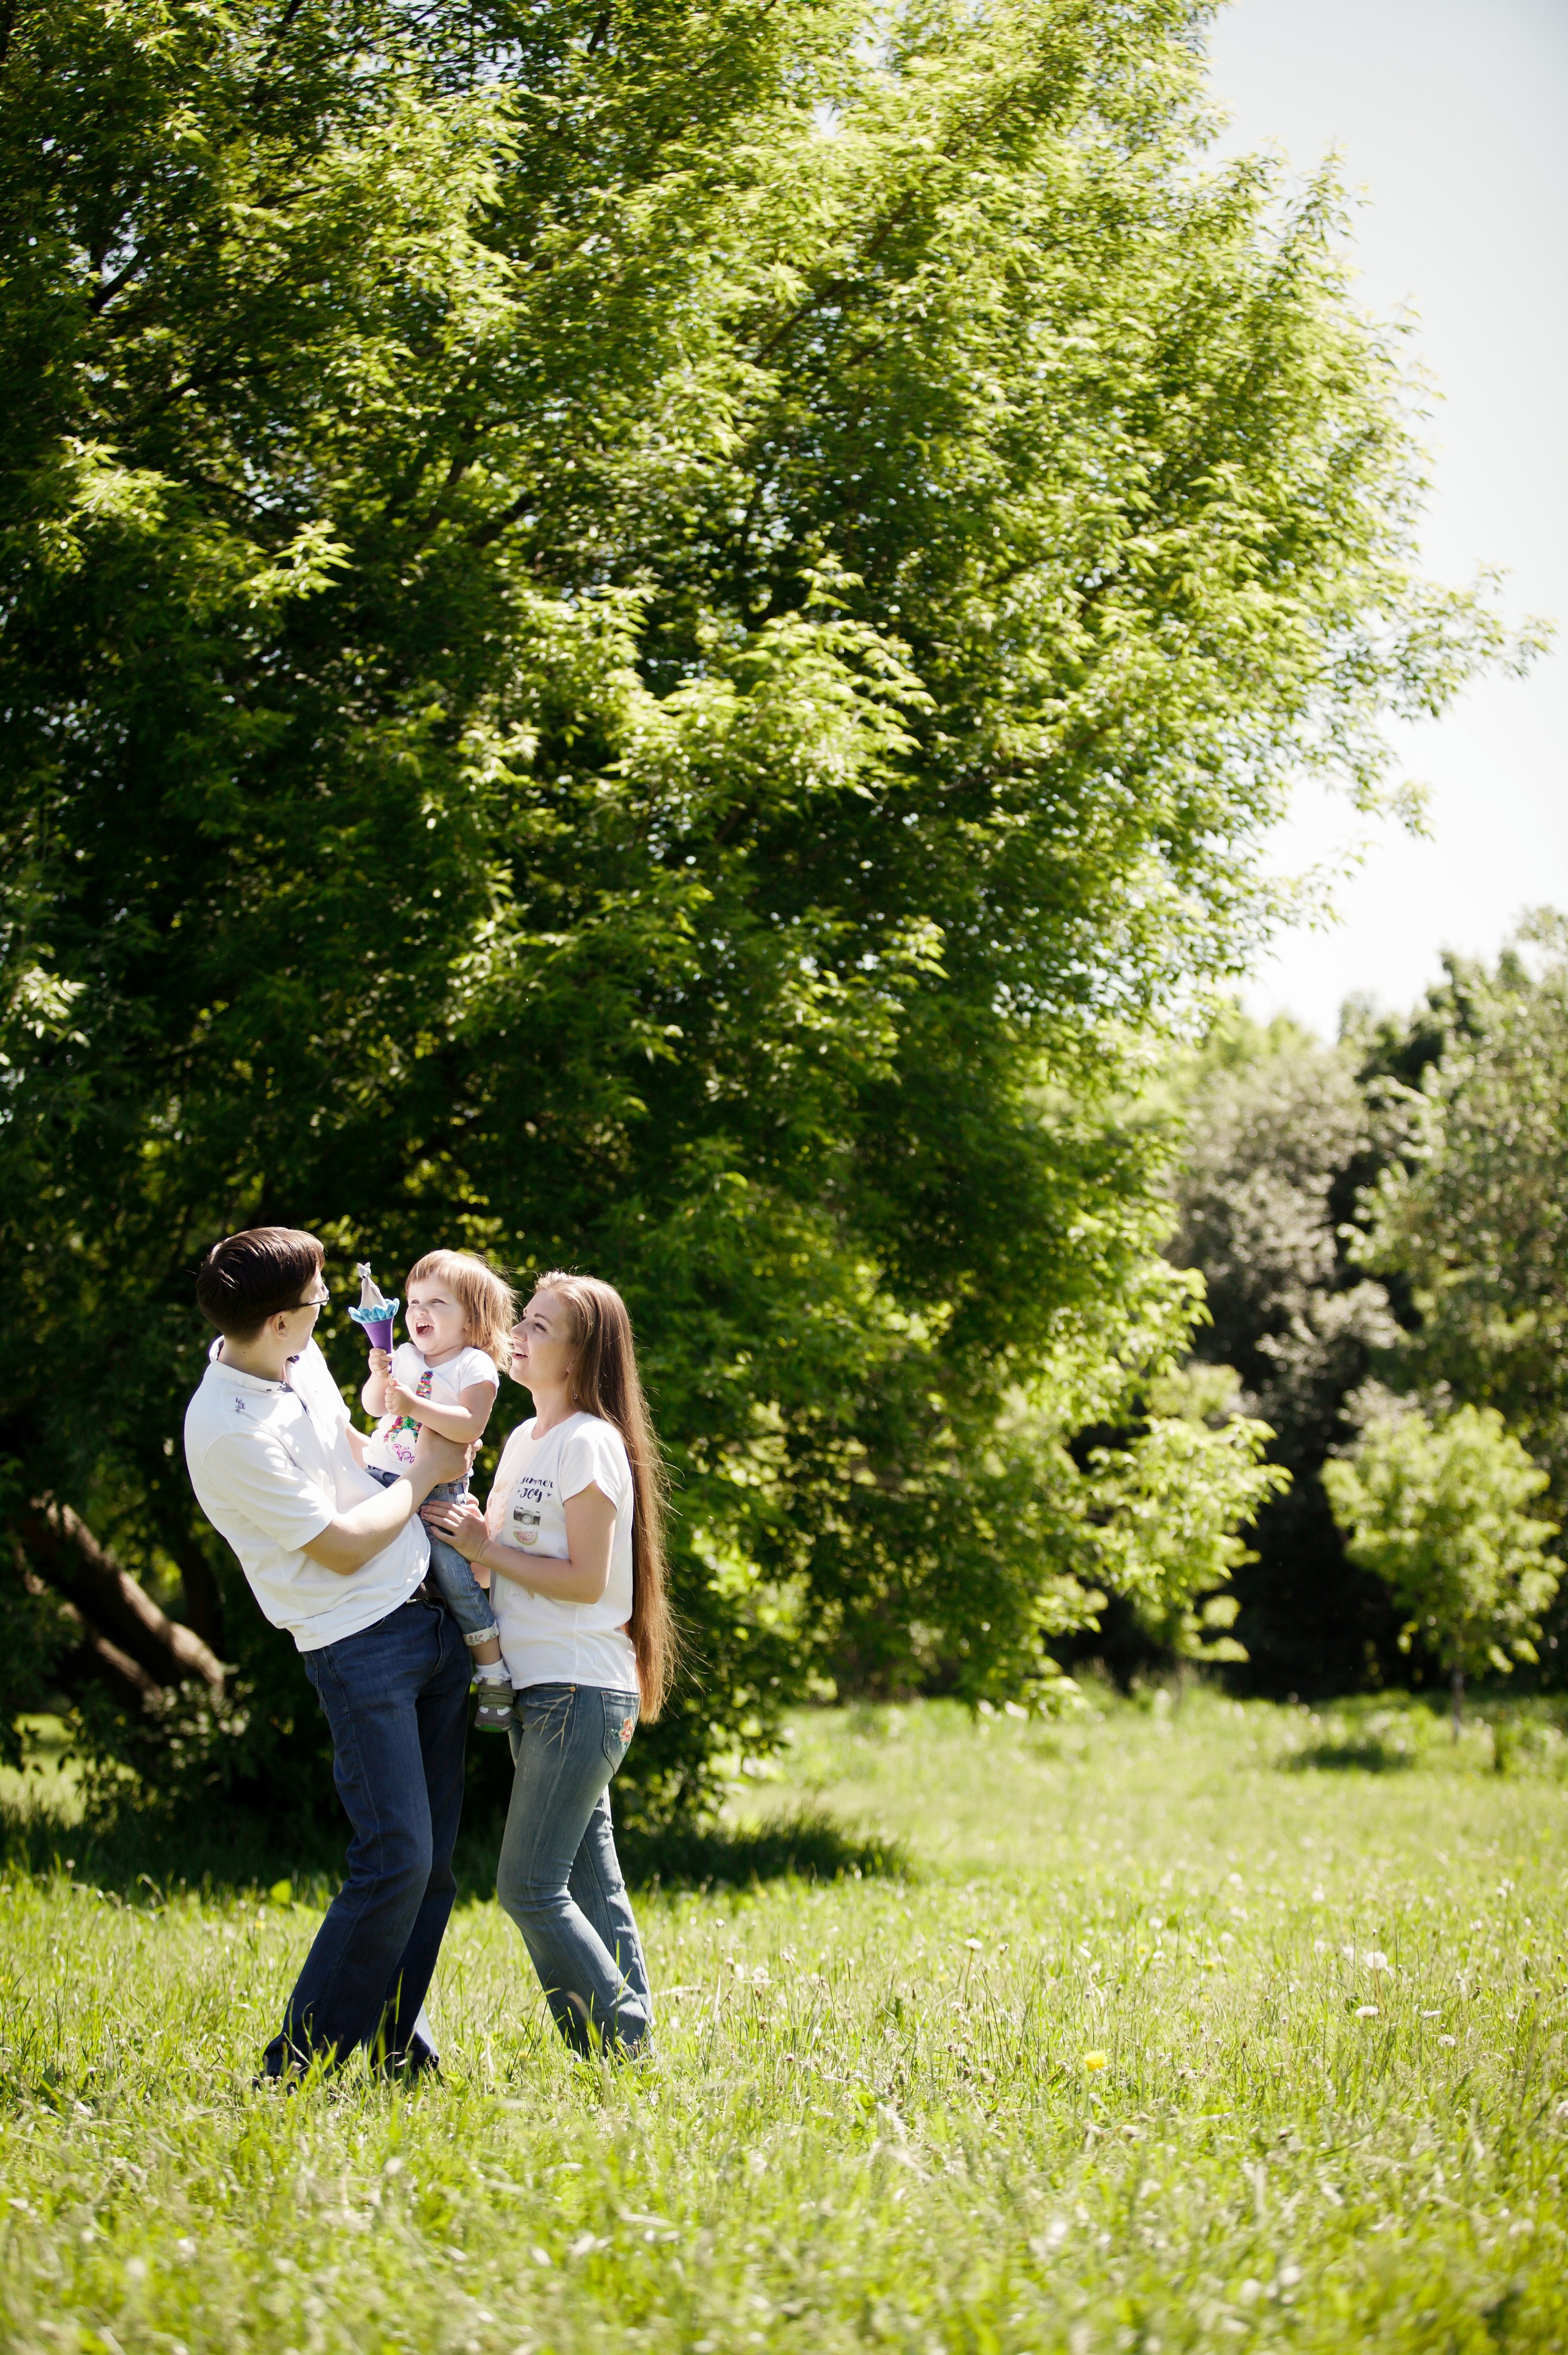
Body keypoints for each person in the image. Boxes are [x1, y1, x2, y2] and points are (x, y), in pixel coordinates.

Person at [182, 1225, 473, 2081]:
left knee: (433, 1868)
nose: (328, 1310)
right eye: (316, 1303)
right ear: (279, 1320)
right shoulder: (226, 1432)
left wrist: (404, 1460)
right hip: (358, 1645)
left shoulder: (294, 1360)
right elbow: (341, 1546)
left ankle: (397, 2050)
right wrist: (422, 1481)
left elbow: (349, 1446)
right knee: (397, 1859)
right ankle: (296, 2066)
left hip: (428, 1618)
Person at [421, 1271, 676, 2058]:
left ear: (580, 1355)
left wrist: (486, 1548)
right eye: (522, 1320)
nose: (518, 1334)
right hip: (537, 1690)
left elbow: (586, 1580)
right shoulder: (525, 1439)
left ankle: (621, 2042)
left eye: (541, 1326)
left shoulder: (590, 1441)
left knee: (528, 1887)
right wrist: (469, 1539)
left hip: (579, 1691)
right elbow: (502, 1568)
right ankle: (627, 2062)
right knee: (592, 1883)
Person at [360, 1250, 516, 1730]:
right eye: (413, 1302)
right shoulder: (406, 1357)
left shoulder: (475, 1367)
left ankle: (491, 1671)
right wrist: (381, 1375)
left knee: (455, 1578)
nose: (419, 1313)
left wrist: (411, 1402)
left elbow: (471, 1424)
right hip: (382, 1478)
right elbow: (372, 1408)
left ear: (473, 1321)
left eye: (437, 1303)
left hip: (436, 1498)